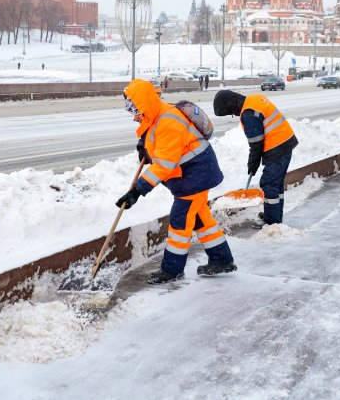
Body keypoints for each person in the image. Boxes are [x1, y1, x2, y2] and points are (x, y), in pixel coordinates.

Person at [117, 79, 237, 284]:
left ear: (144, 103)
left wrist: (137, 190)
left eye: (134, 108)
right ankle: (221, 259)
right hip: (193, 174)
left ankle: (172, 270)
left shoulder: (168, 122)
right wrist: (144, 146)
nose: (133, 114)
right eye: (129, 109)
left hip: (194, 177)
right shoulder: (157, 113)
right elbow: (152, 134)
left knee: (180, 222)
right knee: (201, 219)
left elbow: (164, 165)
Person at [213, 89, 299, 229]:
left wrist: (253, 163)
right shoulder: (254, 99)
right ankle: (274, 214)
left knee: (269, 184)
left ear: (233, 105)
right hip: (285, 142)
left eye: (230, 112)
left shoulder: (249, 115)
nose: (234, 115)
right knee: (276, 184)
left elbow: (256, 145)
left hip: (277, 146)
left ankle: (272, 222)